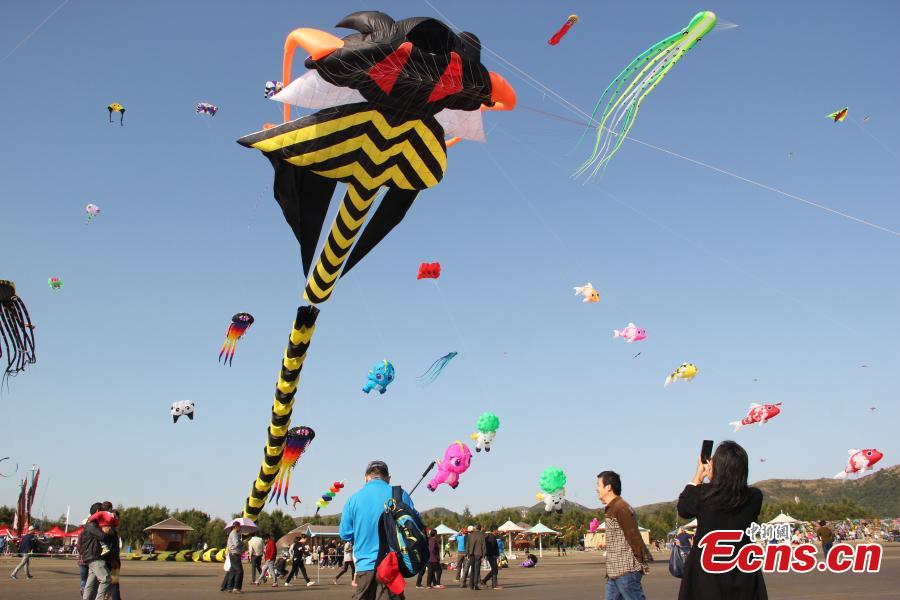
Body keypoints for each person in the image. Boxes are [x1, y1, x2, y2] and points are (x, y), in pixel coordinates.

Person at [677, 440, 767, 600]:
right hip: (742, 573)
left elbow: (683, 508)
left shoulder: (703, 495)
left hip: (706, 576)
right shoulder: (754, 497)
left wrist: (699, 476)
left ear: (718, 468)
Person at [339, 460, 417, 600]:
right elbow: (415, 525)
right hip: (392, 565)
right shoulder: (399, 494)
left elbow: (345, 533)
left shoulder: (353, 499)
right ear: (388, 478)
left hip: (365, 565)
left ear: (366, 478)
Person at [597, 470, 652, 600]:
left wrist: (642, 561)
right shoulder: (612, 508)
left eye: (598, 485)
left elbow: (633, 535)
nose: (596, 488)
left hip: (626, 572)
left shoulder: (621, 508)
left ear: (608, 487)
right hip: (614, 572)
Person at [83, 513, 117, 600]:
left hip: (92, 558)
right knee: (106, 580)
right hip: (95, 557)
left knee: (90, 582)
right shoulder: (92, 527)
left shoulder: (90, 527)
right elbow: (103, 537)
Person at [220, 522, 245, 594]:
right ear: (236, 527)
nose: (240, 528)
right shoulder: (234, 533)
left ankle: (229, 587)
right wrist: (242, 542)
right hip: (235, 554)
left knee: (232, 571)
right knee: (239, 571)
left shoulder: (234, 533)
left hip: (233, 554)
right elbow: (236, 543)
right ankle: (236, 588)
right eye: (240, 527)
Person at [464, 523, 485, 590]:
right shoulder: (482, 535)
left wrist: (466, 554)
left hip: (471, 555)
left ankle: (471, 585)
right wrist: (484, 555)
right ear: (480, 528)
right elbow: (483, 546)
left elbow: (467, 545)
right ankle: (475, 585)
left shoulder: (470, 535)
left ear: (475, 528)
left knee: (472, 569)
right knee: (477, 570)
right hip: (478, 554)